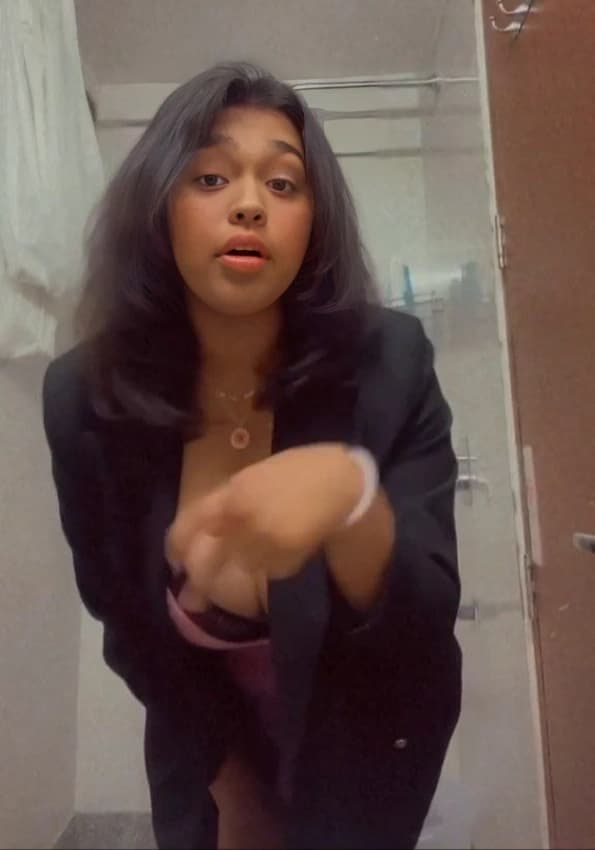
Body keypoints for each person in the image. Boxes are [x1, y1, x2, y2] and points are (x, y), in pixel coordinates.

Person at [42, 62, 462, 850]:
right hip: (202, 749)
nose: (247, 204)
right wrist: (233, 787)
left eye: (282, 183)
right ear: (157, 206)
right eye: (209, 177)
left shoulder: (390, 362)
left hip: (372, 746)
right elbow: (127, 624)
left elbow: (424, 623)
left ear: (313, 221)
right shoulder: (84, 397)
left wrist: (351, 505)